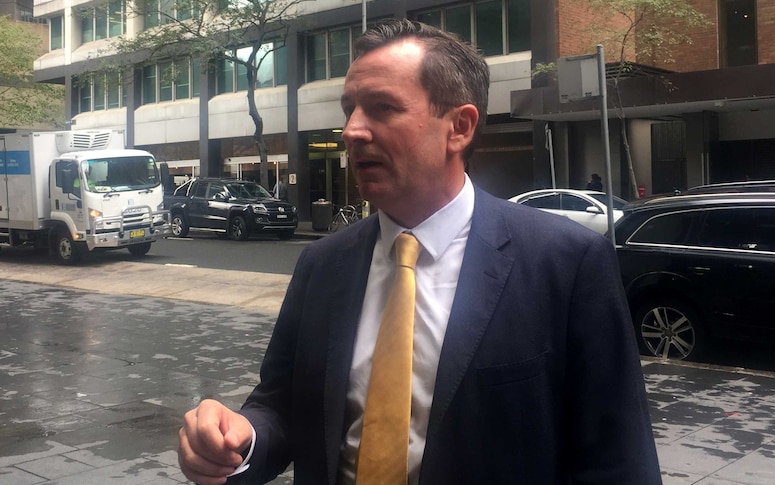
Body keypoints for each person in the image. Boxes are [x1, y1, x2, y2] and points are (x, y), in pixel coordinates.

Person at [177, 19, 660, 485]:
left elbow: (617, 459)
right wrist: (239, 439)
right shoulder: (323, 264)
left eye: (382, 108)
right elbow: (283, 404)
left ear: (459, 128)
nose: (352, 131)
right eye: (350, 108)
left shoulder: (567, 262)